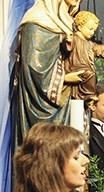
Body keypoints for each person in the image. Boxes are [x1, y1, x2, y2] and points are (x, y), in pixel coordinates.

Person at [15, 0, 83, 144]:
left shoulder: (67, 21)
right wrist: (65, 78)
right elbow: (32, 68)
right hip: (41, 104)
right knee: (45, 152)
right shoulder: (36, 20)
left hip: (66, 101)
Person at [63, 11, 104, 102]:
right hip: (76, 67)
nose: (92, 32)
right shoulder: (75, 38)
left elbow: (96, 48)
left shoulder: (89, 43)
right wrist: (68, 40)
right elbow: (67, 47)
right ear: (80, 27)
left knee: (92, 74)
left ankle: (88, 94)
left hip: (86, 67)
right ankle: (88, 94)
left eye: (94, 30)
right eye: (90, 29)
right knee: (89, 74)